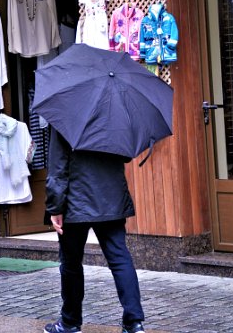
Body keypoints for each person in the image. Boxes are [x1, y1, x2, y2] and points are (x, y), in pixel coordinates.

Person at [43, 127, 145, 333]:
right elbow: (126, 155)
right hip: (111, 198)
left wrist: (55, 207)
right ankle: (134, 324)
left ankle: (70, 323)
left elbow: (58, 165)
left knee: (71, 264)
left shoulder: (64, 116)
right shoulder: (115, 116)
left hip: (75, 200)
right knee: (120, 259)